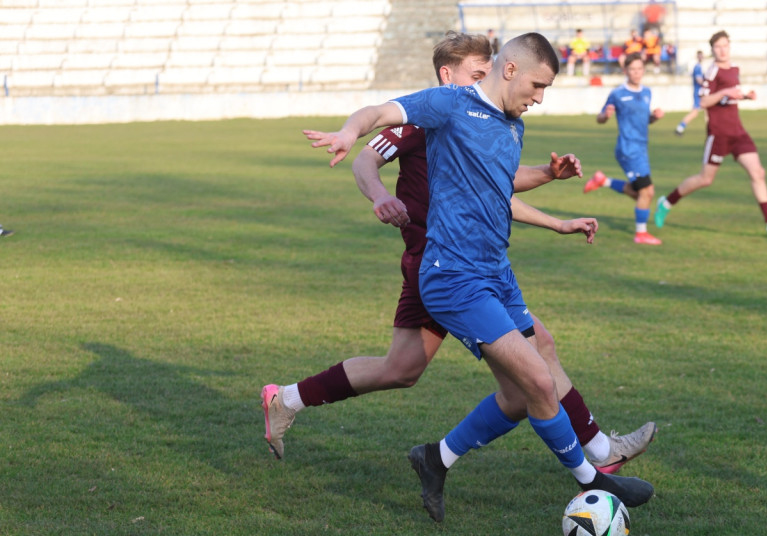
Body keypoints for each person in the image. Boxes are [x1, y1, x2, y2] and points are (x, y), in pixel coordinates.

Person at [264, 32, 656, 479]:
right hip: (439, 264)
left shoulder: (500, 121)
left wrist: (554, 205)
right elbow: (365, 157)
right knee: (518, 378)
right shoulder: (430, 116)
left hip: (474, 264)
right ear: (450, 75)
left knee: (413, 369)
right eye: (477, 70)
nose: (484, 76)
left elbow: (497, 187)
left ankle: (293, 401)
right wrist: (374, 187)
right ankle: (594, 456)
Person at [654, 30, 767, 237]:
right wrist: (724, 92)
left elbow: (729, 98)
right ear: (713, 50)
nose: (722, 50)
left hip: (738, 132)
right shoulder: (712, 72)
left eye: (725, 46)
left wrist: (745, 97)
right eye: (717, 47)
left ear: (729, 47)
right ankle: (666, 202)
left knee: (758, 172)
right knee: (705, 179)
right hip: (719, 134)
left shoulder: (734, 69)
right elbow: (703, 102)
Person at [582, 53, 665, 246]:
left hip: (642, 148)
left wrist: (655, 117)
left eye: (640, 69)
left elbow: (645, 121)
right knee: (648, 192)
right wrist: (606, 115)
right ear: (625, 70)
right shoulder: (618, 94)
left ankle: (603, 181)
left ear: (643, 70)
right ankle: (641, 234)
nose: (636, 73)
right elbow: (600, 118)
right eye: (632, 69)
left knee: (640, 194)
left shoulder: (647, 92)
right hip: (628, 150)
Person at [675, 49, 706, 136]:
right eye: (699, 55)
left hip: (701, 93)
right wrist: (707, 82)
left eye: (702, 55)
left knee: (704, 112)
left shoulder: (699, 66)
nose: (701, 57)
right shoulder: (697, 67)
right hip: (698, 93)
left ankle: (680, 128)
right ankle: (680, 128)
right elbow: (699, 80)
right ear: (697, 57)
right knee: (694, 112)